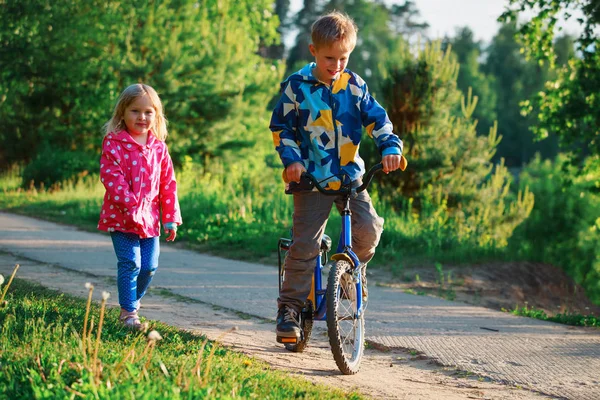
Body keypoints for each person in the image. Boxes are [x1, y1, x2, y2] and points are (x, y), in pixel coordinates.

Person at [269, 11, 406, 341]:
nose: (337, 65)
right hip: (310, 180)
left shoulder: (355, 86)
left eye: (344, 57)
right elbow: (281, 128)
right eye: (330, 58)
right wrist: (292, 161)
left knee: (369, 229)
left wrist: (390, 147)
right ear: (313, 50)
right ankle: (289, 309)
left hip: (349, 178)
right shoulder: (296, 87)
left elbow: (378, 121)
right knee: (304, 246)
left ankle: (348, 273)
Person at [98, 83, 182, 330]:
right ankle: (128, 313)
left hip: (150, 220)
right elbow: (112, 178)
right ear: (122, 112)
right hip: (122, 218)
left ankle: (132, 302)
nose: (142, 117)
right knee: (130, 263)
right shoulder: (114, 143)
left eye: (148, 112)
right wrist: (131, 207)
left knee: (149, 266)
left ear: (156, 115)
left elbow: (168, 183)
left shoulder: (159, 148)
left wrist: (170, 217)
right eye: (135, 111)